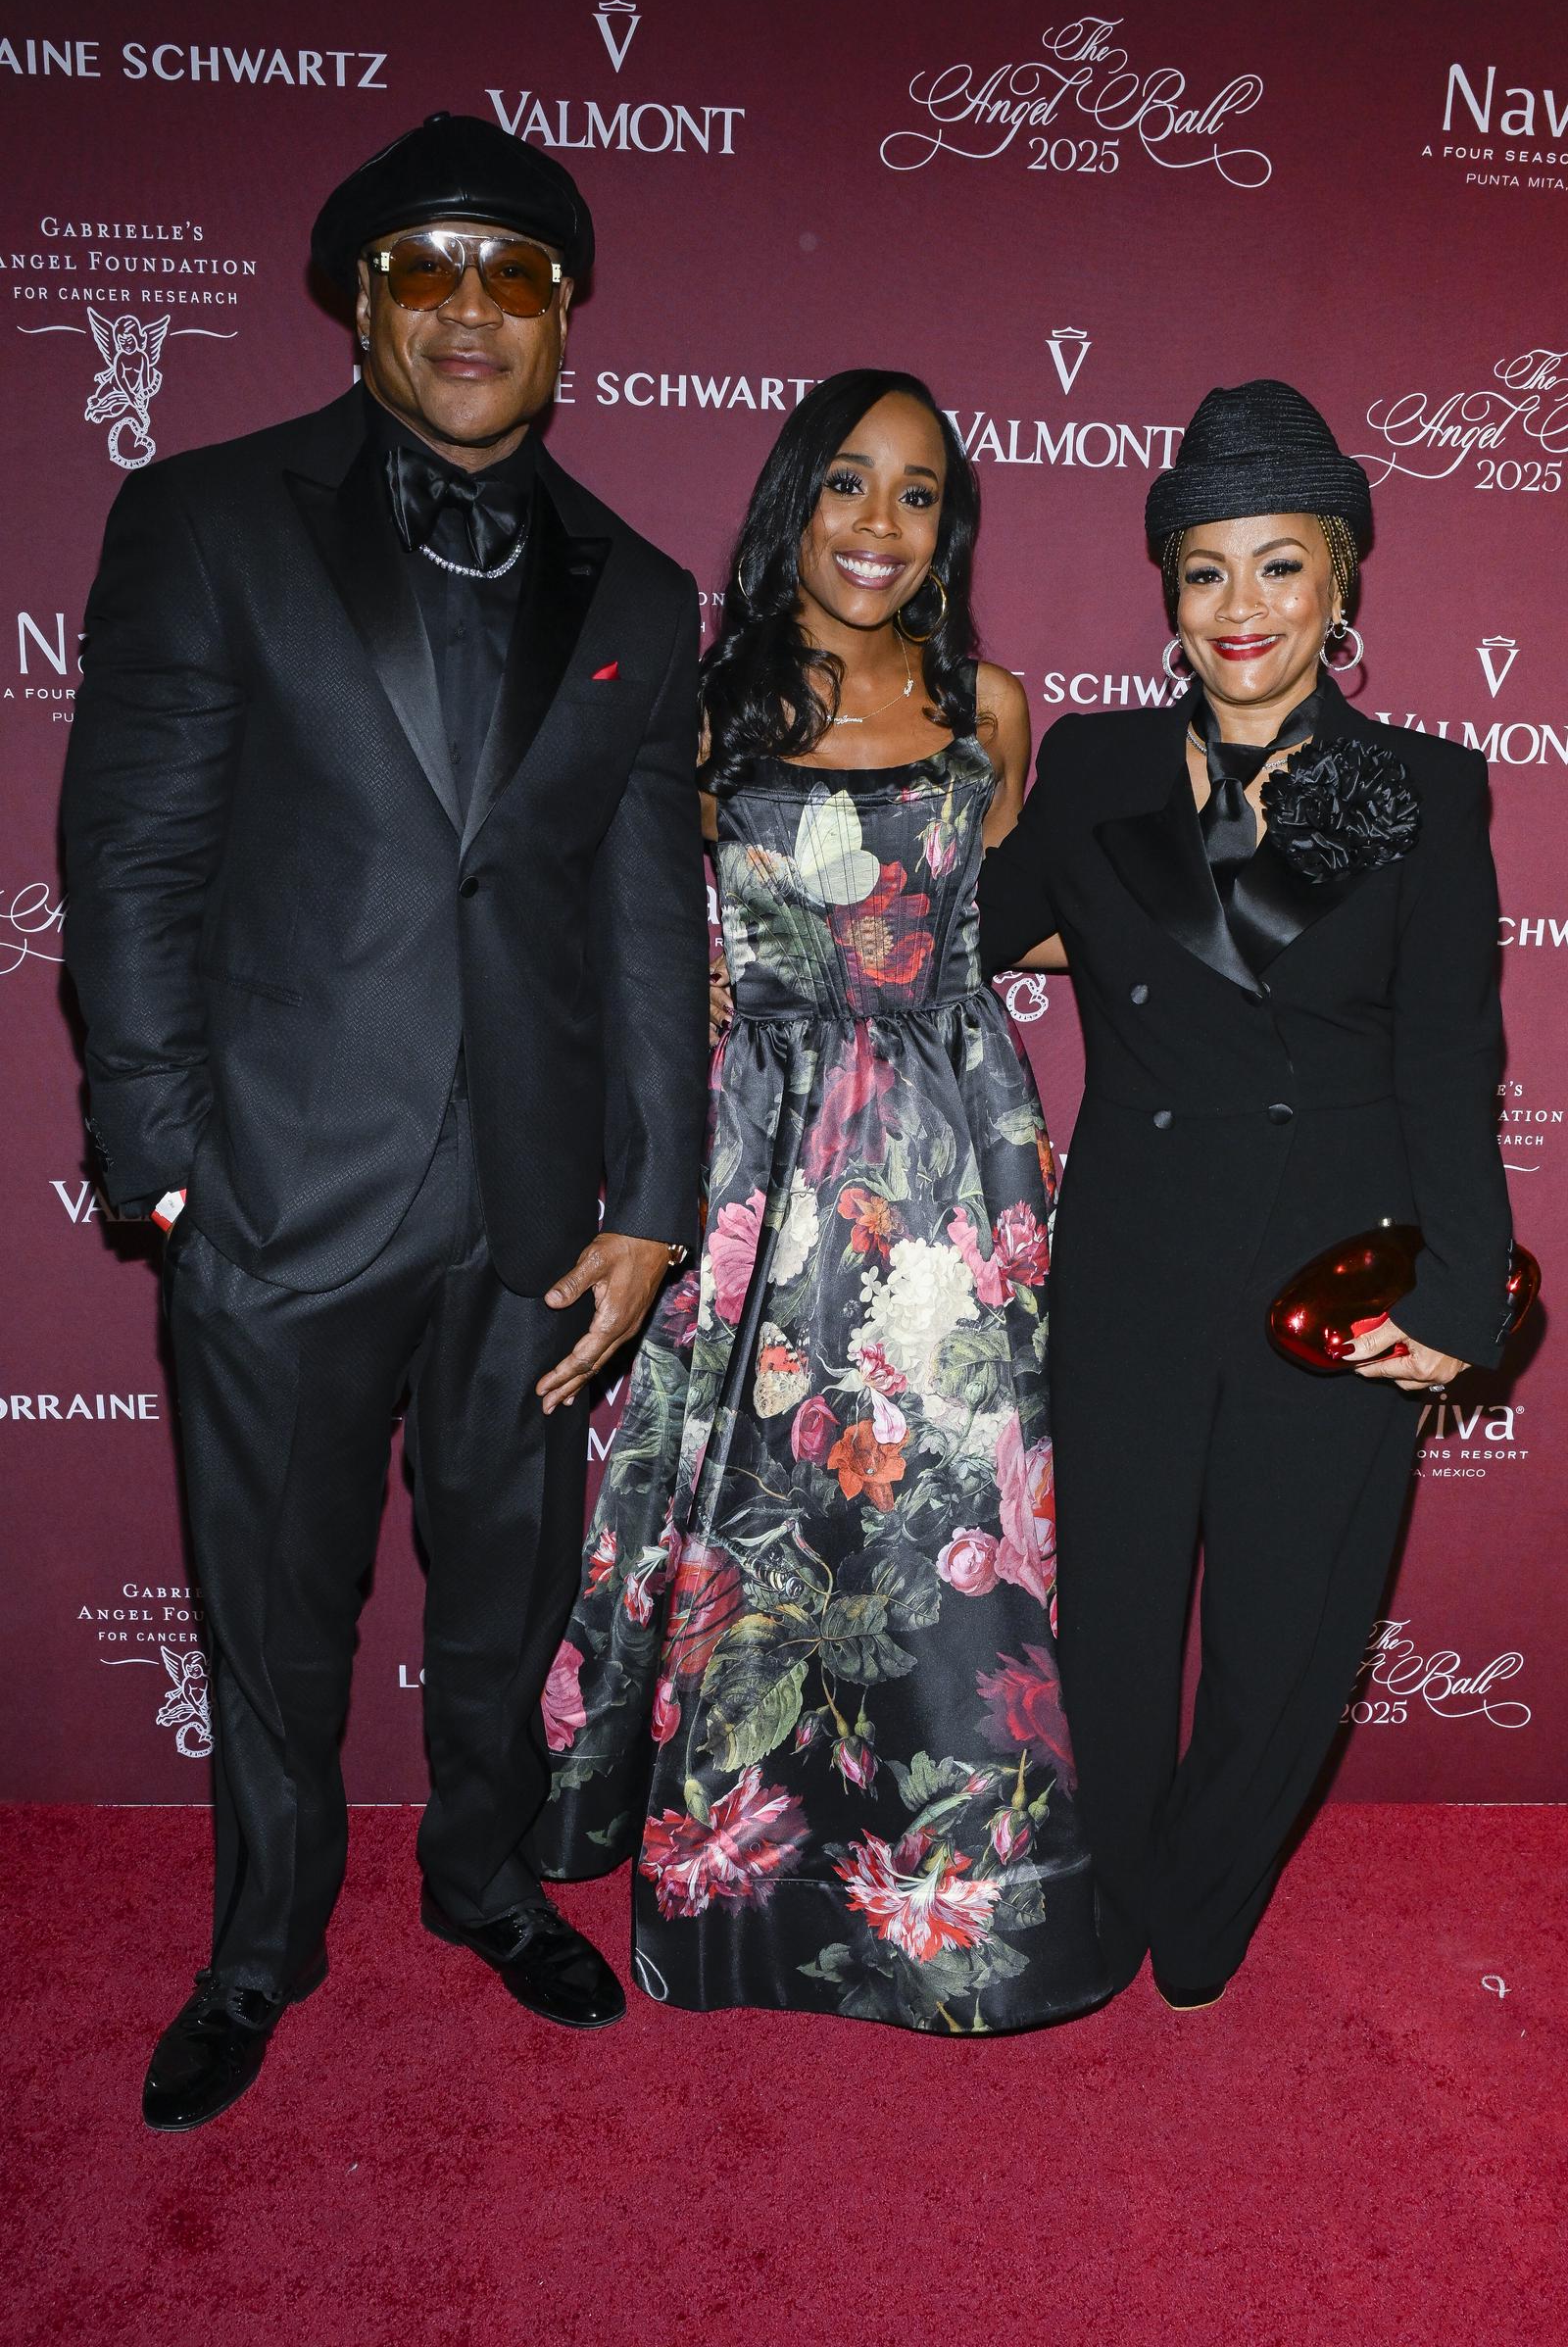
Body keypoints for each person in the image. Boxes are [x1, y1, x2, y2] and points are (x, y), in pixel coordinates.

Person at [62, 112, 710, 2130]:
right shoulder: (206, 518)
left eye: (512, 271)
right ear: (357, 303)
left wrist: (657, 1196)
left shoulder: (643, 581)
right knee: (272, 1606)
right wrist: (162, 1159)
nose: (466, 305)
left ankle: (484, 1879)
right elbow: (135, 863)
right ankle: (262, 1945)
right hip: (276, 1185)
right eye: (422, 265)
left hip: (530, 1208)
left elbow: (638, 919)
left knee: (504, 1591)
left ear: (565, 320)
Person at [531, 371, 1108, 2034]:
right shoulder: (702, 704)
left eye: (920, 495)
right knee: (758, 1529)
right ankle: (739, 1899)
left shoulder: (986, 702)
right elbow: (611, 913)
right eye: (851, 484)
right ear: (796, 499)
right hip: (762, 1172)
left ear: (952, 526)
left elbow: (1014, 918)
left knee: (950, 1531)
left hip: (951, 1164)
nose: (881, 524)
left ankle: (977, 1910)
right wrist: (701, 984)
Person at [977, 380, 1513, 2008]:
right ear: (1165, 589)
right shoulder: (1093, 768)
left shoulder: (1419, 784)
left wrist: (1466, 1297)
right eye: (1205, 570)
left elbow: (1450, 1058)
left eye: (1281, 567)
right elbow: (959, 937)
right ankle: (1119, 1890)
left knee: (1290, 1640)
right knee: (1115, 1630)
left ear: (1344, 580)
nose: (1242, 610)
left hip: (1334, 1272)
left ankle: (1204, 1903)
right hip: (1134, 1257)